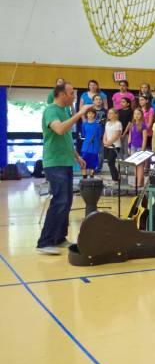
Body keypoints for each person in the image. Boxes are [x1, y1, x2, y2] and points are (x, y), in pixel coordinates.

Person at [37, 83, 91, 255]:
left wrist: (77, 156)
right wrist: (81, 114)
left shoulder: (65, 111)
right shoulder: (51, 110)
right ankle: (45, 242)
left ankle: (59, 238)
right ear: (61, 94)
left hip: (66, 161)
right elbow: (59, 129)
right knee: (59, 200)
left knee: (66, 202)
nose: (74, 96)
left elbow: (66, 137)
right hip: (54, 163)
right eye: (71, 93)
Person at [126, 108, 148, 186]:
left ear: (141, 115)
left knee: (140, 166)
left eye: (138, 114)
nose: (136, 115)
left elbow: (145, 139)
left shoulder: (143, 125)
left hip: (139, 148)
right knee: (135, 165)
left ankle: (139, 183)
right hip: (133, 147)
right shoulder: (132, 124)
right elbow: (130, 137)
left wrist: (142, 149)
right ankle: (138, 182)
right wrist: (128, 146)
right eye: (135, 114)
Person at [80, 108, 102, 179]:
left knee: (92, 165)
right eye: (89, 113)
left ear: (94, 115)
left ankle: (92, 179)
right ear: (86, 114)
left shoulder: (98, 125)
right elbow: (83, 134)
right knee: (83, 164)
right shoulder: (84, 124)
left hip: (94, 147)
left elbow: (100, 135)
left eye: (92, 113)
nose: (90, 115)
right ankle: (84, 180)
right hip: (85, 146)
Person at [103, 108, 123, 184]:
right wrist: (104, 141)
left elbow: (117, 135)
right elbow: (105, 133)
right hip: (107, 145)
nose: (109, 114)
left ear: (116, 114)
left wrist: (109, 142)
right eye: (108, 113)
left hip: (115, 146)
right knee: (110, 162)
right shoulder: (107, 123)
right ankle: (115, 177)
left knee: (110, 162)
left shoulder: (118, 124)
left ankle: (116, 179)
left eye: (111, 113)